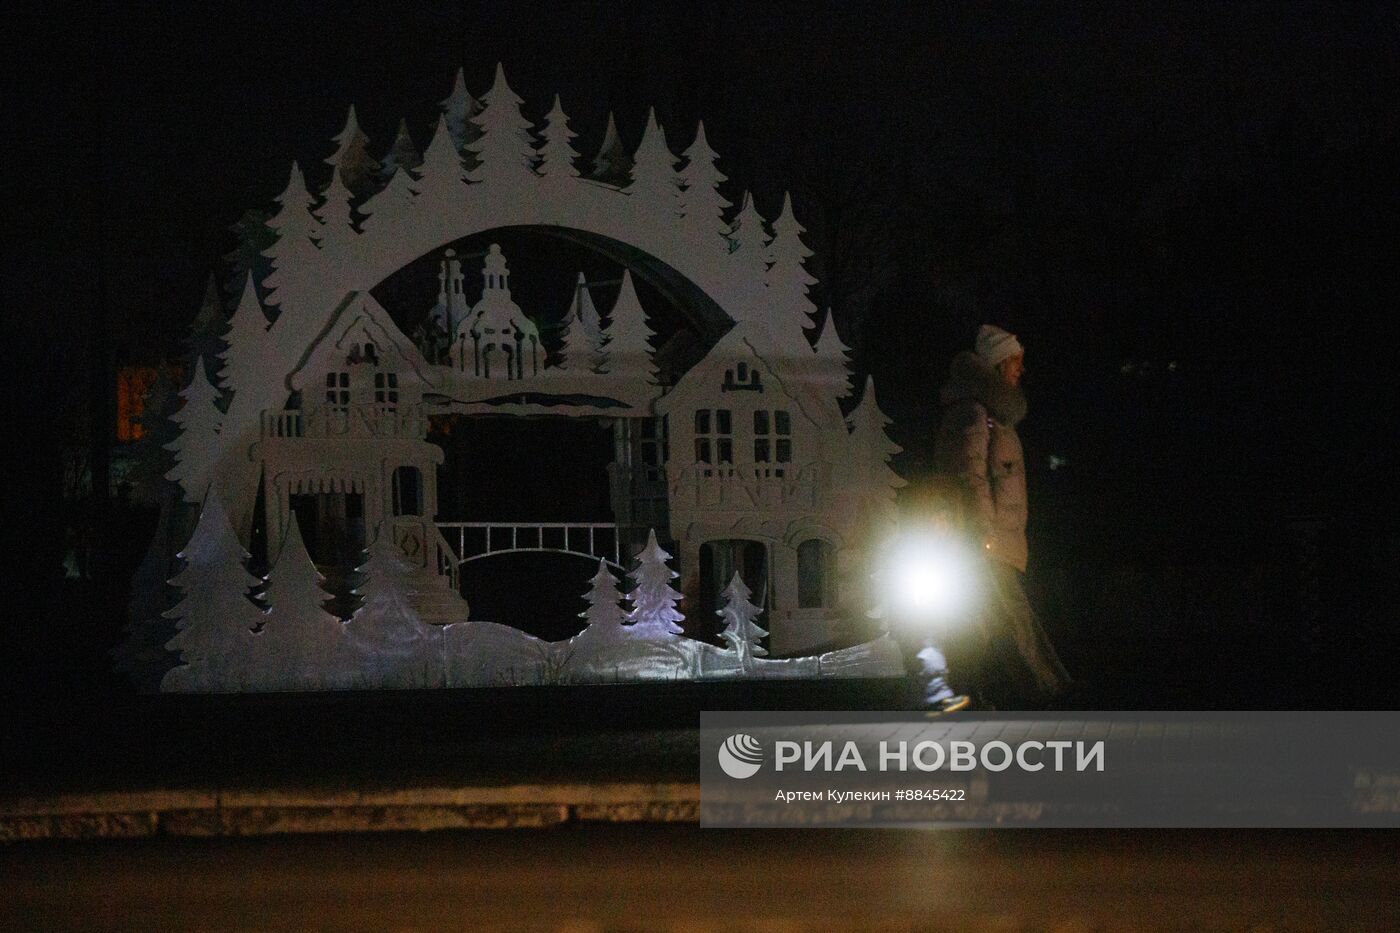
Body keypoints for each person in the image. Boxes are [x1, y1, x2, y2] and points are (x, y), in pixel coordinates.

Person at [933, 324, 1071, 708]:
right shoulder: (974, 414)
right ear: (996, 366)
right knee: (1015, 624)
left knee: (982, 627)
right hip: (985, 544)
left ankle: (974, 698)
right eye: (1015, 363)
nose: (1020, 372)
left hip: (992, 542)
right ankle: (1050, 695)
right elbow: (969, 477)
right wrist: (983, 535)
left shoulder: (991, 414)